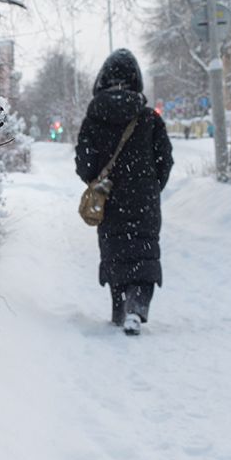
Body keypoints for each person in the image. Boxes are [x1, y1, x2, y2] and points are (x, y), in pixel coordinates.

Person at [75, 49, 173, 336]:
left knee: (116, 251)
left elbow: (84, 163)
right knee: (144, 253)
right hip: (144, 199)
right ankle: (137, 307)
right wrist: (151, 187)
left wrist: (97, 182)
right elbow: (164, 160)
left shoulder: (93, 118)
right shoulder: (148, 118)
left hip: (110, 197)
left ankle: (119, 309)